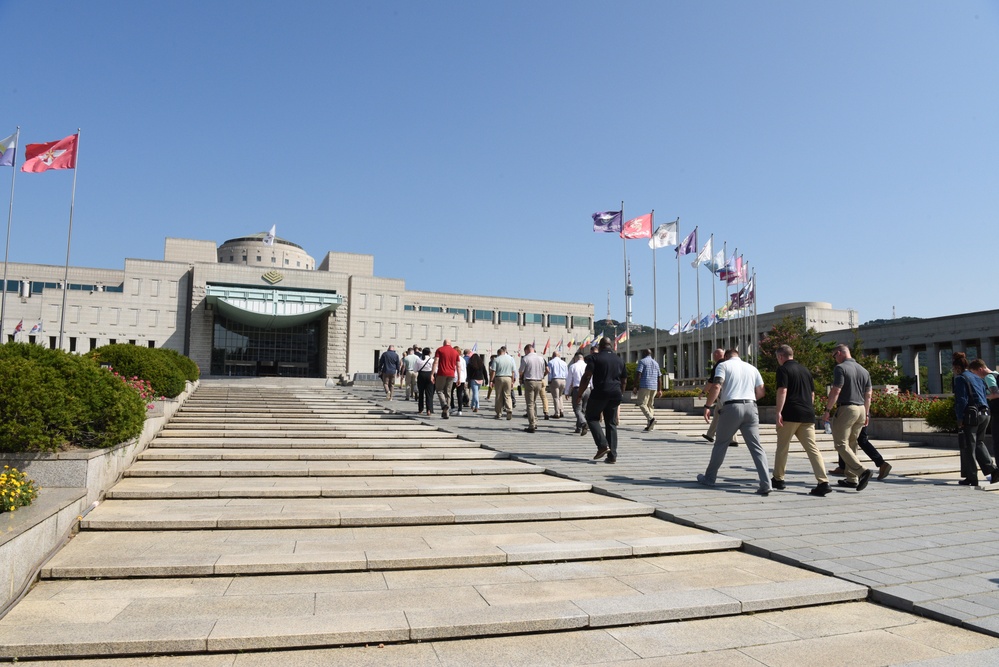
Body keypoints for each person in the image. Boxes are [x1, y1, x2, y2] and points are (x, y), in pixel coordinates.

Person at [697, 349, 771, 495]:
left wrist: (707, 406)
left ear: (725, 356)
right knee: (756, 447)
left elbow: (717, 385)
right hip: (751, 406)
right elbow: (761, 391)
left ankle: (710, 478)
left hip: (731, 407)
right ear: (738, 355)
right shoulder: (752, 368)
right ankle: (766, 483)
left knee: (721, 444)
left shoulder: (723, 366)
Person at [772, 345, 830, 496]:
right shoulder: (805, 370)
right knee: (812, 449)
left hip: (790, 413)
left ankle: (778, 479)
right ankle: (823, 481)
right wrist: (808, 408)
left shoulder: (783, 370)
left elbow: (782, 390)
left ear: (780, 357)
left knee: (783, 447)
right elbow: (811, 394)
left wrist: (778, 412)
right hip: (807, 414)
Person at [821, 344, 873, 492]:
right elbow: (868, 395)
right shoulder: (864, 370)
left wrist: (827, 410)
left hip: (847, 409)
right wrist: (867, 413)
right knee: (852, 443)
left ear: (839, 353)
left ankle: (862, 471)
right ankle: (851, 479)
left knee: (840, 444)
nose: (835, 359)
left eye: (834, 356)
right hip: (862, 409)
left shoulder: (841, 368)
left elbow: (836, 390)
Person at [577, 337, 626, 464]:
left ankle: (602, 445)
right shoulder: (619, 359)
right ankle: (612, 455)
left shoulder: (595, 357)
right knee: (611, 423)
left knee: (591, 417)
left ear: (600, 346)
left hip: (600, 392)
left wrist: (580, 393)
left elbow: (587, 376)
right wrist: (621, 392)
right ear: (611, 345)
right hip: (616, 393)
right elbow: (624, 379)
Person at [952, 352, 995, 486]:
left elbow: (962, 400)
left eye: (953, 369)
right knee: (979, 443)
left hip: (971, 415)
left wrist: (959, 418)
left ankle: (972, 478)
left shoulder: (960, 378)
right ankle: (994, 470)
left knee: (968, 446)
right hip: (985, 413)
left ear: (957, 367)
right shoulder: (977, 377)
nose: (953, 371)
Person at [702, 348, 738, 447]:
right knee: (717, 413)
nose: (713, 357)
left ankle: (732, 439)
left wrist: (704, 393)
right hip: (732, 393)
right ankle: (710, 434)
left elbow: (714, 383)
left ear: (718, 355)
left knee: (727, 415)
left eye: (714, 355)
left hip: (724, 394)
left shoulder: (720, 365)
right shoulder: (734, 365)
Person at [970, 358, 999, 459]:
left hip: (997, 411)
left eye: (975, 373)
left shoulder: (988, 377)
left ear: (980, 369)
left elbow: (996, 393)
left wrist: (984, 396)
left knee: (997, 441)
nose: (976, 376)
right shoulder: (996, 374)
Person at [519, 344, 548, 432]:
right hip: (539, 381)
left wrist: (521, 378)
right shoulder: (541, 358)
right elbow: (545, 370)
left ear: (527, 350)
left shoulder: (526, 358)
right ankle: (535, 420)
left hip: (529, 381)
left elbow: (521, 371)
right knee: (534, 402)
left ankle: (532, 425)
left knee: (530, 404)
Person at [431, 339, 460, 419]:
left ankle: (444, 404)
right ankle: (446, 413)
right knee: (448, 392)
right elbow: (458, 366)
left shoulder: (440, 350)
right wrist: (459, 378)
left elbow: (436, 362)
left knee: (439, 390)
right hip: (451, 374)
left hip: (441, 373)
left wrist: (432, 374)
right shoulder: (455, 352)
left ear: (444, 343)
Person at [635, 349, 662, 432]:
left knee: (641, 403)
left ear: (644, 353)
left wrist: (635, 386)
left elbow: (638, 374)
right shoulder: (656, 363)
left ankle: (651, 419)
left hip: (644, 385)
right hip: (654, 386)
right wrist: (660, 389)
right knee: (650, 405)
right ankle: (650, 426)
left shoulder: (642, 361)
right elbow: (659, 377)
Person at [565, 351, 590, 435]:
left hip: (577, 389)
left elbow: (569, 380)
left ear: (576, 358)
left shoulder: (573, 366)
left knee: (577, 409)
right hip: (588, 389)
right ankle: (578, 428)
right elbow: (592, 378)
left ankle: (583, 423)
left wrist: (567, 391)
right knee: (583, 409)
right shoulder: (588, 366)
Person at [490, 346, 517, 420]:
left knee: (499, 396)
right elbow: (513, 371)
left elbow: (493, 371)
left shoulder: (496, 359)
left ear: (498, 353)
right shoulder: (510, 359)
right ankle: (509, 409)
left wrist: (491, 380)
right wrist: (512, 380)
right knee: (507, 395)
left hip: (499, 377)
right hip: (508, 377)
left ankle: (499, 413)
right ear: (504, 352)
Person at [547, 351, 568, 418]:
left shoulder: (551, 362)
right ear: (559, 356)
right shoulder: (564, 363)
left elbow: (550, 373)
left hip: (555, 379)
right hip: (563, 379)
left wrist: (549, 380)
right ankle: (561, 410)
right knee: (560, 396)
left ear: (553, 355)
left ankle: (557, 413)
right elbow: (566, 373)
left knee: (555, 397)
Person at [415, 347, 435, 416]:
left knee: (421, 393)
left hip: (421, 375)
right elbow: (435, 370)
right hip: (429, 375)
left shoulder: (418, 359)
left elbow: (415, 369)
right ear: (429, 353)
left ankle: (420, 409)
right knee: (429, 393)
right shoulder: (431, 360)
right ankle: (429, 410)